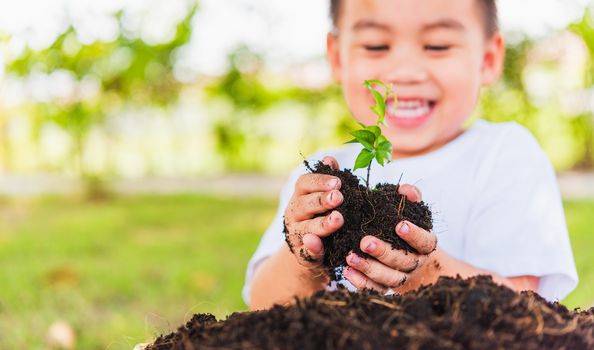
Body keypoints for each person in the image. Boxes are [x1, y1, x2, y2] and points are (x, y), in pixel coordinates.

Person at [243, 0, 578, 310]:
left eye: (437, 45)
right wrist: (305, 260)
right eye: (376, 46)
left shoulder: (504, 156)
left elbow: (527, 311)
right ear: (337, 59)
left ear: (487, 59)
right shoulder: (320, 182)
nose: (404, 71)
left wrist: (427, 274)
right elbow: (262, 309)